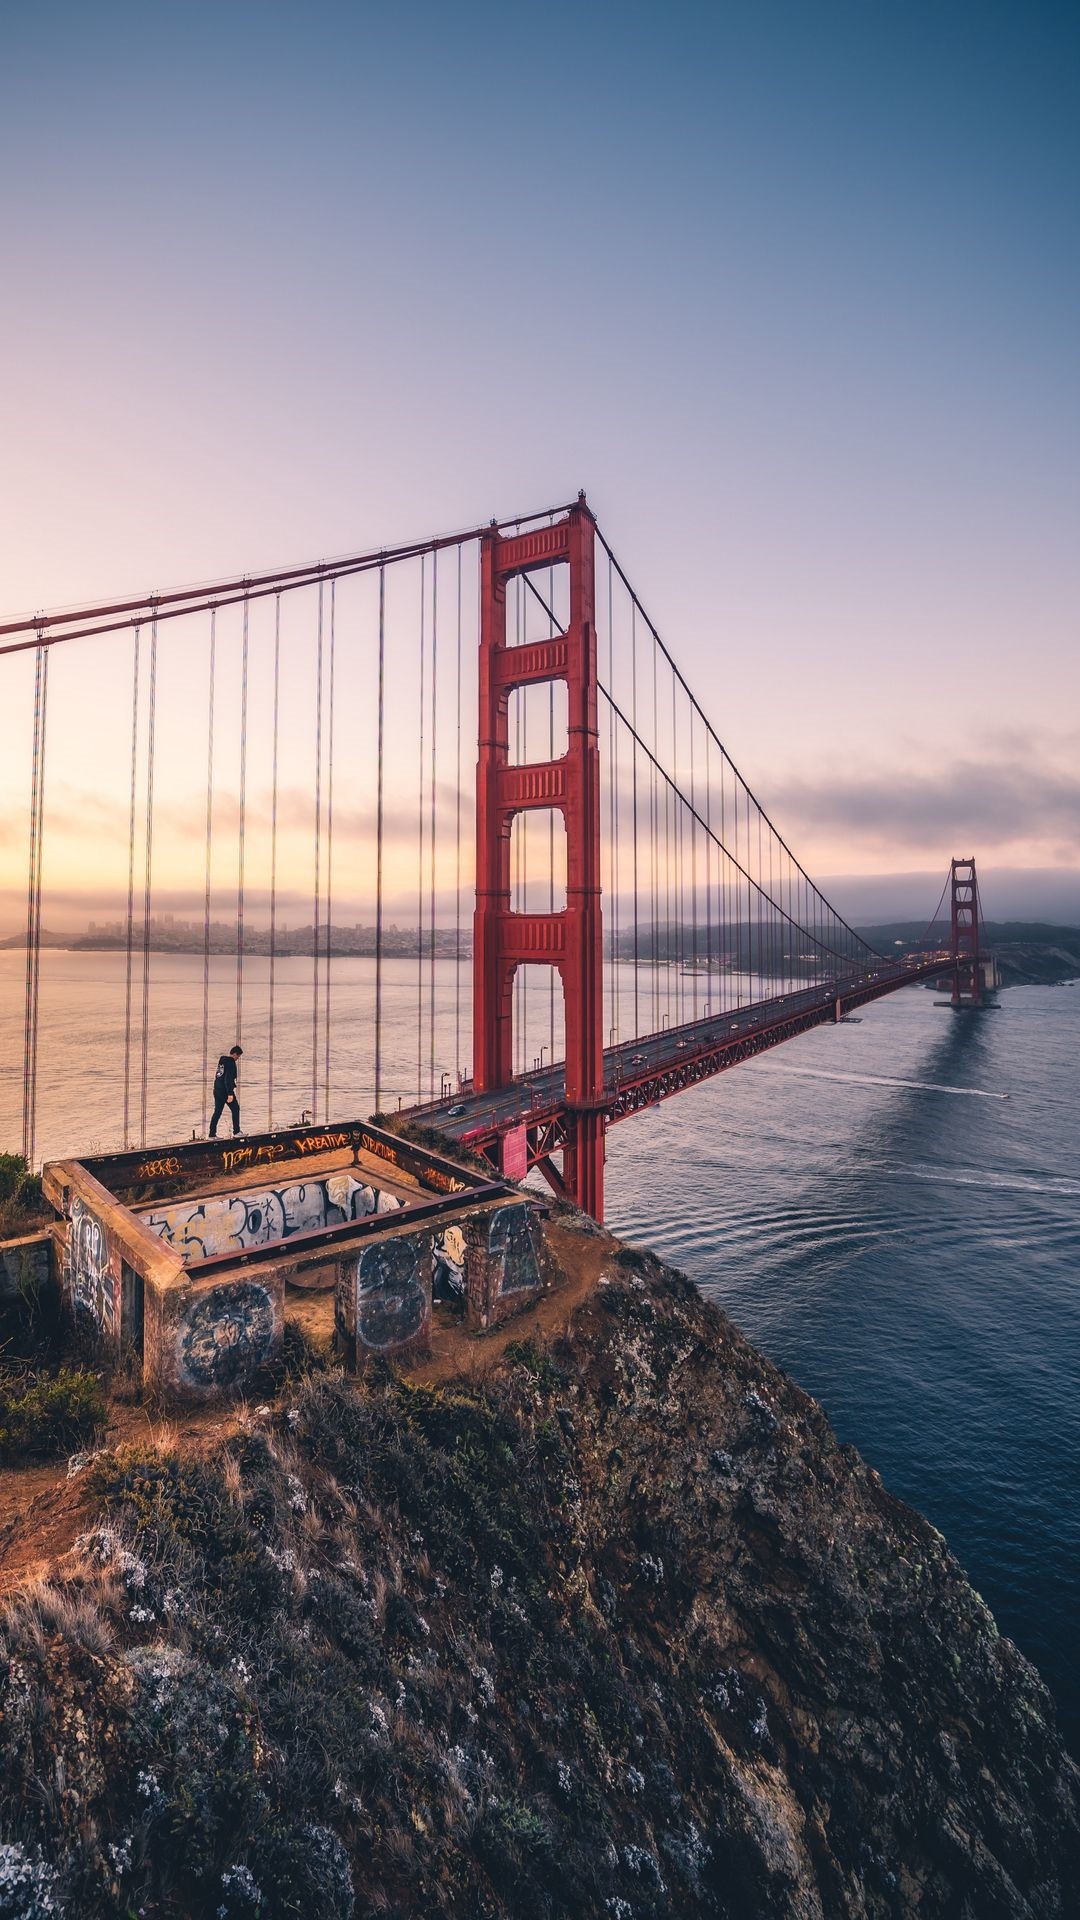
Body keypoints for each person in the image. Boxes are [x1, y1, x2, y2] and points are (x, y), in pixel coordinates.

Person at [209, 1045, 243, 1137]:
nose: (237, 1059)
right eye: (238, 1056)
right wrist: (230, 1094)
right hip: (225, 1091)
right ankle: (236, 1132)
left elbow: (220, 1076)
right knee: (235, 1109)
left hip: (217, 1090)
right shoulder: (231, 1062)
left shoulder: (222, 1062)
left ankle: (212, 1135)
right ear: (235, 1054)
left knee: (217, 1112)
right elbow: (227, 1079)